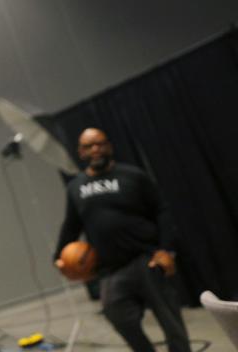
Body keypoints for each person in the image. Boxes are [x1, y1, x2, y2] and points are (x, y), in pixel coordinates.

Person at [54, 128, 189, 352]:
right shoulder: (75, 187)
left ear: (109, 146)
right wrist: (58, 256)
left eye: (100, 143)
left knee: (171, 321)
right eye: (89, 146)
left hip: (146, 259)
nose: (95, 149)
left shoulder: (133, 175)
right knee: (116, 314)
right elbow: (71, 225)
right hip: (110, 268)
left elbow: (161, 211)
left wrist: (166, 250)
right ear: (80, 152)